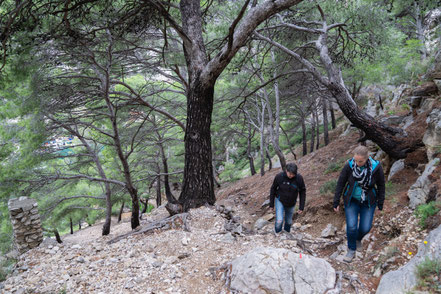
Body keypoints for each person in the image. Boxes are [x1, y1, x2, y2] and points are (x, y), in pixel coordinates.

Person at [333, 145, 385, 262]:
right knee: (351, 226)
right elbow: (340, 183)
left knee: (365, 227)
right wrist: (336, 201)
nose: (357, 163)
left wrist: (380, 203)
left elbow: (381, 186)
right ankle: (351, 249)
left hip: (368, 201)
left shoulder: (376, 167)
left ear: (367, 159)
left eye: (360, 161)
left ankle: (358, 239)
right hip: (351, 200)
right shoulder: (349, 165)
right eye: (355, 160)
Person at [269, 163, 306, 233]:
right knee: (279, 220)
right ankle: (278, 234)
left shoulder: (299, 178)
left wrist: (301, 206)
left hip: (292, 202)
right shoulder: (279, 176)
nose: (291, 176)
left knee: (289, 222)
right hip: (280, 200)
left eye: (293, 174)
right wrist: (271, 204)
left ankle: (286, 234)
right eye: (290, 174)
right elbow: (273, 189)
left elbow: (302, 192)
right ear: (286, 171)